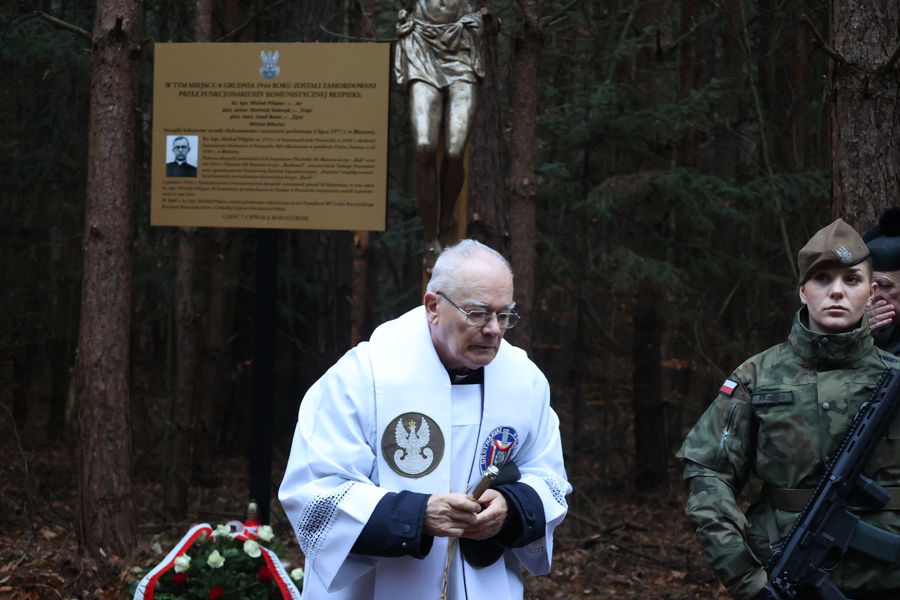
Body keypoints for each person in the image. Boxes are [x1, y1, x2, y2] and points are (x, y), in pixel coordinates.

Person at [279, 239, 570, 600]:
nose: (494, 329)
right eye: (478, 313)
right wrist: (416, 516)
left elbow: (550, 479)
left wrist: (511, 509)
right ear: (433, 306)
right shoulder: (360, 379)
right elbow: (314, 496)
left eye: (504, 314)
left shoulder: (524, 380)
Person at [677, 219, 900, 600]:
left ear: (872, 291)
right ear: (802, 291)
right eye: (822, 279)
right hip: (782, 579)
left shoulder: (894, 379)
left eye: (851, 280)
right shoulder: (756, 376)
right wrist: (747, 580)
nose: (836, 292)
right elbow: (707, 475)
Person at [393, 0, 483, 269]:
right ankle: (430, 235)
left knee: (456, 151)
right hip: (422, 46)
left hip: (463, 48)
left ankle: (446, 222)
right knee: (423, 146)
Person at [864, 207, 900, 353]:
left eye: (884, 285)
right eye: (868, 285)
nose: (871, 296)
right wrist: (855, 339)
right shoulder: (873, 331)